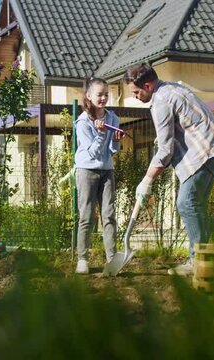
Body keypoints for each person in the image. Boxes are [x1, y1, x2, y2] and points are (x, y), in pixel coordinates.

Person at [123, 63, 214, 276]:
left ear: (147, 86)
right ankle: (204, 258)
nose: (135, 96)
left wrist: (147, 180)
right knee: (196, 204)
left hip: (205, 152)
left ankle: (197, 261)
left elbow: (165, 150)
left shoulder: (161, 100)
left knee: (186, 203)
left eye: (136, 92)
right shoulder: (170, 88)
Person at [74, 77, 124, 274]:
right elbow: (93, 152)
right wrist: (102, 134)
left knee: (109, 215)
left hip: (107, 170)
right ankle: (82, 259)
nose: (103, 98)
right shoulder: (83, 122)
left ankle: (112, 259)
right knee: (86, 216)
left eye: (106, 94)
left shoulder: (112, 118)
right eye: (99, 95)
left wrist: (117, 141)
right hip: (86, 170)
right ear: (89, 96)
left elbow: (111, 150)